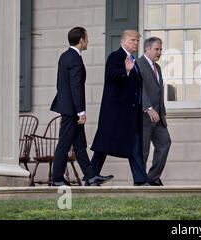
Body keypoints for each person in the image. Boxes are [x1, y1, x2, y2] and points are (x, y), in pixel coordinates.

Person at [51, 27, 113, 187]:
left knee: (79, 144)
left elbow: (60, 84)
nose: (88, 41)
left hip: (67, 107)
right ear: (81, 40)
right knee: (64, 144)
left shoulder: (65, 56)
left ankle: (91, 176)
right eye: (87, 38)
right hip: (72, 110)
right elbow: (76, 87)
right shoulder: (75, 59)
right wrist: (81, 112)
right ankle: (57, 179)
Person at [90, 30, 150, 186]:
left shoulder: (133, 60)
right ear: (123, 42)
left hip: (131, 113)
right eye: (132, 40)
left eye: (137, 41)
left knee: (135, 144)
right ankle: (91, 176)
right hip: (115, 112)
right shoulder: (115, 57)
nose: (136, 43)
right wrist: (126, 70)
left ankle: (140, 180)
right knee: (103, 146)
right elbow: (111, 75)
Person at [137, 37, 171, 186]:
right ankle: (140, 181)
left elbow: (158, 91)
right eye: (157, 49)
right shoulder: (138, 65)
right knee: (143, 151)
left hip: (158, 117)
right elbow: (139, 90)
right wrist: (148, 108)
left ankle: (152, 178)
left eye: (160, 50)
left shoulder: (156, 67)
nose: (159, 52)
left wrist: (162, 112)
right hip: (144, 116)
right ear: (147, 49)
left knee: (165, 143)